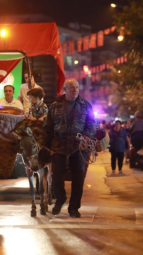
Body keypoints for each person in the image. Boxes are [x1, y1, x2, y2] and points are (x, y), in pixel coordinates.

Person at [41, 78, 96, 218]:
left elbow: (92, 124)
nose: (75, 89)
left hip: (78, 145)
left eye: (76, 87)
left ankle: (74, 207)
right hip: (59, 144)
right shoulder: (54, 106)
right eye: (71, 87)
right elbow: (48, 127)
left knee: (79, 177)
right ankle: (60, 199)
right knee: (56, 175)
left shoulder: (86, 105)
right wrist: (43, 145)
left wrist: (86, 136)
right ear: (64, 90)